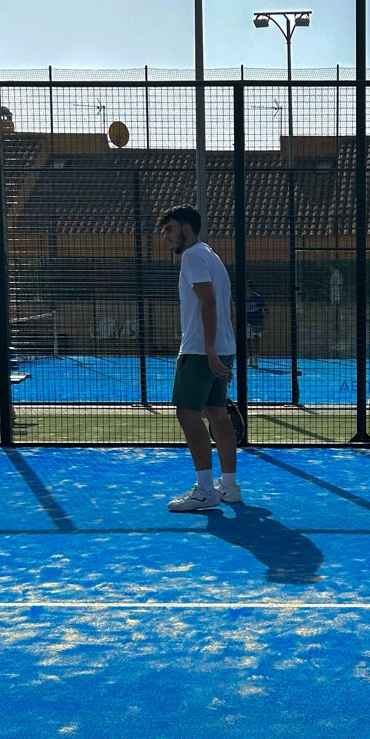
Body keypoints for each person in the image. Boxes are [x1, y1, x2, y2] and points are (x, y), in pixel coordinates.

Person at [157, 205, 242, 512]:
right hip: (222, 346)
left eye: (170, 229)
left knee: (187, 414)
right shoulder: (212, 256)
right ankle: (229, 487)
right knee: (217, 413)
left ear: (186, 229)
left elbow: (208, 302)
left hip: (199, 350)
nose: (167, 236)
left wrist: (208, 349)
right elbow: (226, 306)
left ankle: (205, 490)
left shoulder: (192, 256)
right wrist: (223, 347)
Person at [245, 286, 266, 369]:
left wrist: (262, 321)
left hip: (257, 322)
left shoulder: (258, 298)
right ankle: (249, 358)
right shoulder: (243, 297)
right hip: (247, 322)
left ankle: (255, 358)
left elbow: (263, 310)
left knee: (256, 340)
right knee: (248, 341)